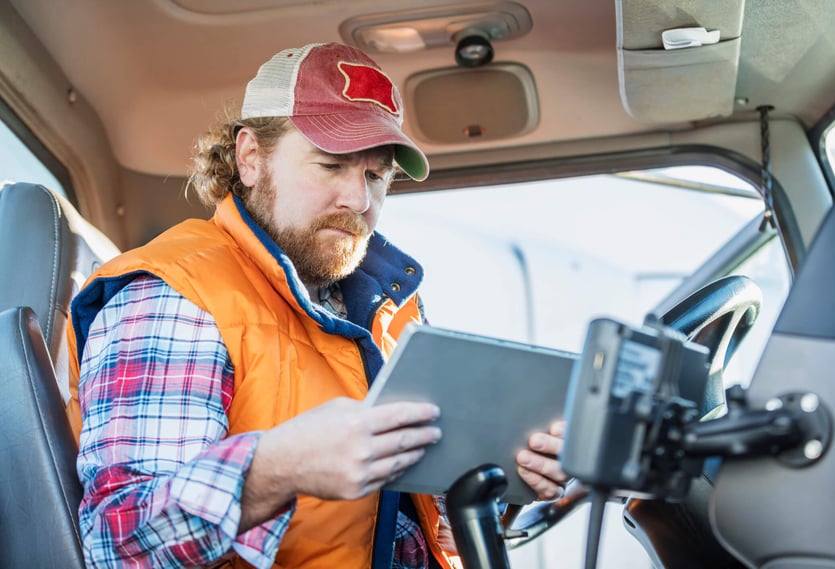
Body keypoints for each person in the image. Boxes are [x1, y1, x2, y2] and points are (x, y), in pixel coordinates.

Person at [65, 42, 569, 569]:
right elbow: (121, 543)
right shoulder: (174, 296)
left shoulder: (387, 311)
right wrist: (278, 468)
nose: (359, 200)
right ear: (251, 158)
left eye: (376, 176)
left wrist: (505, 488)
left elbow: (420, 523)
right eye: (331, 165)